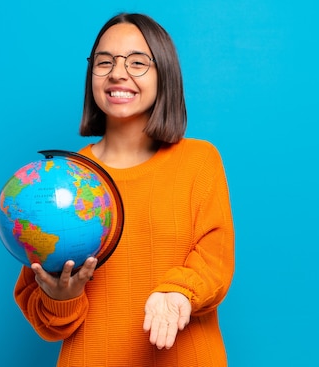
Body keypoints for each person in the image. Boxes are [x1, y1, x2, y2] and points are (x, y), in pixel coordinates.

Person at [14, 13, 235, 366]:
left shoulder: (199, 161)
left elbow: (214, 261)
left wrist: (177, 293)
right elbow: (49, 321)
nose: (118, 73)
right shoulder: (63, 180)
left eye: (137, 62)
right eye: (104, 62)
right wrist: (61, 296)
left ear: (164, 72)